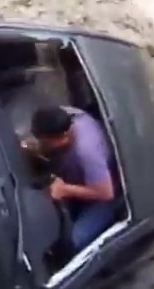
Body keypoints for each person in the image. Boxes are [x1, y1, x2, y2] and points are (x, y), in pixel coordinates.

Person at [26, 105, 117, 252]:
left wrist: (65, 190)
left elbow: (106, 193)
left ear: (62, 138)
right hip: (81, 173)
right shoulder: (66, 115)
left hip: (105, 192)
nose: (40, 142)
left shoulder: (86, 152)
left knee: (75, 239)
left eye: (43, 140)